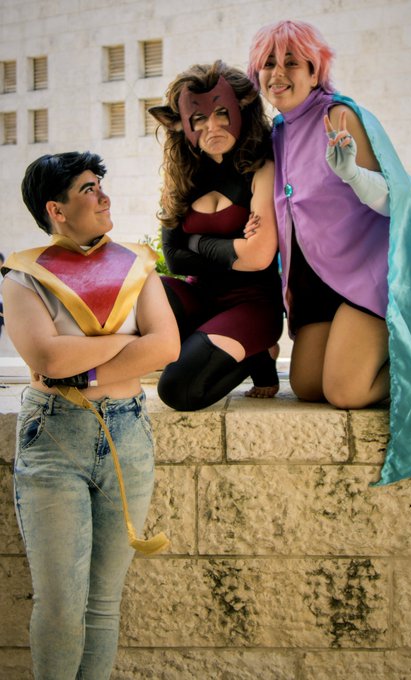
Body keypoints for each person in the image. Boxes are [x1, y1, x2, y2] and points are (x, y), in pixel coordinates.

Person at [247, 19, 411, 485]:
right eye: (268, 63)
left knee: (346, 391)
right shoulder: (279, 132)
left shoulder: (339, 116)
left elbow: (396, 201)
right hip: (317, 286)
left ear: (315, 70)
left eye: (291, 62)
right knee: (308, 385)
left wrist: (352, 174)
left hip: (365, 278)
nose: (278, 72)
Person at [2, 152, 180, 679]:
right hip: (54, 436)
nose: (104, 197)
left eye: (100, 185)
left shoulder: (136, 264)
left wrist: (88, 371)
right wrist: (129, 341)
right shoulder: (23, 276)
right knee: (61, 607)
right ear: (56, 210)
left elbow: (166, 346)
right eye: (88, 189)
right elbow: (48, 358)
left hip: (127, 433)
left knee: (103, 604)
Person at [148, 60, 284, 411]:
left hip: (252, 305)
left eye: (222, 113)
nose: (213, 126)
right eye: (199, 118)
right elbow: (174, 259)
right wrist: (233, 250)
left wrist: (195, 242)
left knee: (177, 390)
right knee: (144, 291)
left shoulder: (261, 168)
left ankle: (257, 354)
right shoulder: (181, 177)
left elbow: (259, 257)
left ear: (241, 110)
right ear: (182, 124)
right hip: (200, 298)